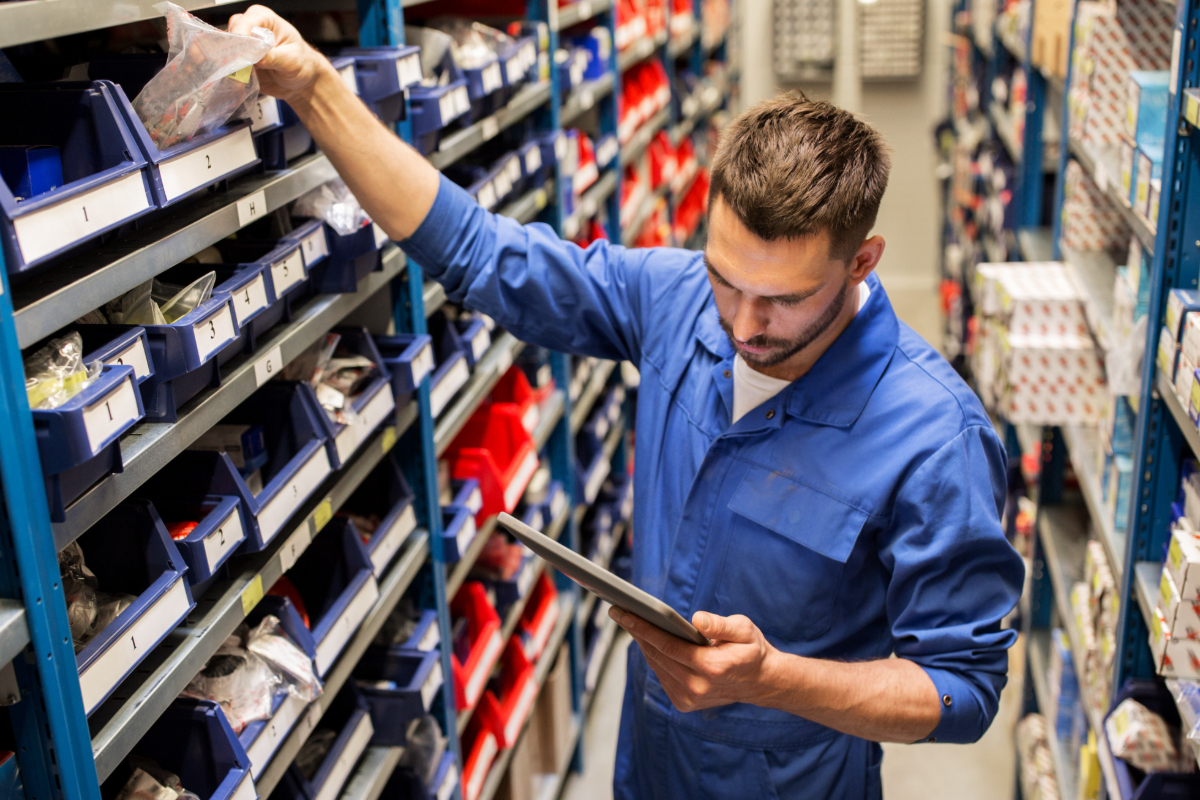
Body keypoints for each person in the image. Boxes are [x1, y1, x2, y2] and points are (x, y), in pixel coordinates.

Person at [229, 8, 1024, 798]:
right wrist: (315, 88)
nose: (743, 324)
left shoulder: (933, 434)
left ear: (862, 263)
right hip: (649, 769)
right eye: (725, 278)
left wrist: (775, 679)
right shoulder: (676, 298)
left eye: (782, 299)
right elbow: (476, 248)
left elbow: (962, 688)